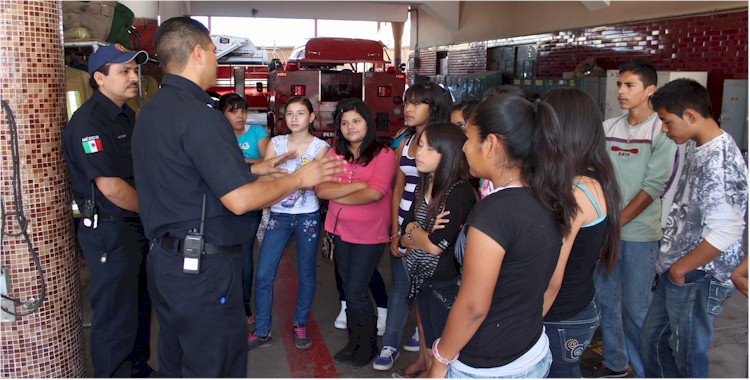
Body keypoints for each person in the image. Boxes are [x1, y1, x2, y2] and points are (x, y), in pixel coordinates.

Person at [131, 17, 344, 377]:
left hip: (166, 264)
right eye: (214, 53)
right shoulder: (201, 116)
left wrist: (255, 169)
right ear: (197, 53)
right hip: (202, 272)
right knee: (215, 364)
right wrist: (299, 178)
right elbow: (241, 200)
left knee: (177, 359)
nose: (217, 60)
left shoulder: (150, 112)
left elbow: (188, 177)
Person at [427, 93, 578, 378]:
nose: (464, 149)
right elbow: (549, 285)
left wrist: (439, 358)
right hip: (531, 352)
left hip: (487, 365)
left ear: (492, 144)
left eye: (469, 139)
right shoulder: (550, 197)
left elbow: (472, 307)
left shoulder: (494, 213)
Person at [640, 78, 748, 378]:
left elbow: (727, 230)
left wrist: (680, 271)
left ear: (690, 115)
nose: (663, 128)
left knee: (687, 354)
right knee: (653, 343)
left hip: (698, 275)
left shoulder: (719, 158)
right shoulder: (699, 146)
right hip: (680, 270)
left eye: (666, 121)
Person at [61, 43, 152, 378]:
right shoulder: (89, 122)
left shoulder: (127, 114)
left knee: (140, 304)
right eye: (124, 71)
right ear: (99, 78)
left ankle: (138, 369)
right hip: (110, 231)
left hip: (134, 226)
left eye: (134, 69)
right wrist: (155, 214)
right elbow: (111, 186)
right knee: (115, 313)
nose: (133, 77)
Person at [592, 58, 677, 378]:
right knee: (604, 300)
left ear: (650, 90)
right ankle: (616, 363)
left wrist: (615, 225)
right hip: (607, 231)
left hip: (639, 235)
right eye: (619, 85)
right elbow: (597, 177)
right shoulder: (608, 127)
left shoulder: (661, 130)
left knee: (637, 310)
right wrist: (603, 225)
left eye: (630, 85)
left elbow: (652, 188)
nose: (621, 91)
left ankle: (646, 372)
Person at [541, 88, 622, 378]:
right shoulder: (595, 176)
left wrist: (525, 321)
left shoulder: (577, 190)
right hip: (576, 307)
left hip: (560, 315)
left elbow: (552, 276)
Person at [377, 82, 453, 374]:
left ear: (433, 108)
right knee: (400, 287)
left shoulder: (445, 140)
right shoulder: (404, 140)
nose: (407, 108)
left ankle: (427, 346)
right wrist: (394, 229)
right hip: (404, 224)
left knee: (430, 291)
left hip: (431, 228)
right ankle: (390, 343)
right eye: (407, 102)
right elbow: (399, 186)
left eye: (416, 103)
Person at [316, 98, 397, 369]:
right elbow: (321, 190)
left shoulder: (383, 154)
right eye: (345, 122)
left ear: (367, 123)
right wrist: (356, 186)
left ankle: (368, 345)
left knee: (355, 290)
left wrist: (340, 193)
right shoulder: (334, 153)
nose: (350, 127)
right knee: (347, 289)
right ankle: (354, 342)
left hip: (368, 235)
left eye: (356, 121)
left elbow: (375, 193)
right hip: (339, 231)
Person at [247, 96, 329, 350]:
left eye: (300, 113)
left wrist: (282, 175)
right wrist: (277, 173)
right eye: (290, 113)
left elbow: (315, 181)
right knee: (263, 274)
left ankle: (300, 324)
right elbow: (265, 177)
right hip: (279, 215)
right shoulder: (276, 142)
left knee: (306, 272)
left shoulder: (321, 147)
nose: (294, 118)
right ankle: (262, 331)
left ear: (311, 117)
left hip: (308, 216)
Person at [398, 122, 477, 373]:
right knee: (431, 343)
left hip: (448, 284)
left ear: (449, 153)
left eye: (430, 149)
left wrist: (415, 233)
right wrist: (420, 233)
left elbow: (435, 247)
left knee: (445, 353)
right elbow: (403, 236)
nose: (419, 153)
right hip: (423, 278)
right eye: (420, 146)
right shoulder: (424, 184)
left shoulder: (459, 191)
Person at [218, 92, 268, 324]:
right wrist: (251, 165)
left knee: (245, 254)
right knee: (222, 256)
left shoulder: (257, 133)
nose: (240, 116)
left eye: (243, 110)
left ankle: (244, 306)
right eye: (233, 111)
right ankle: (224, 302)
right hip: (223, 203)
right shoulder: (218, 136)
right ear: (222, 114)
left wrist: (237, 164)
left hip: (251, 202)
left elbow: (268, 162)